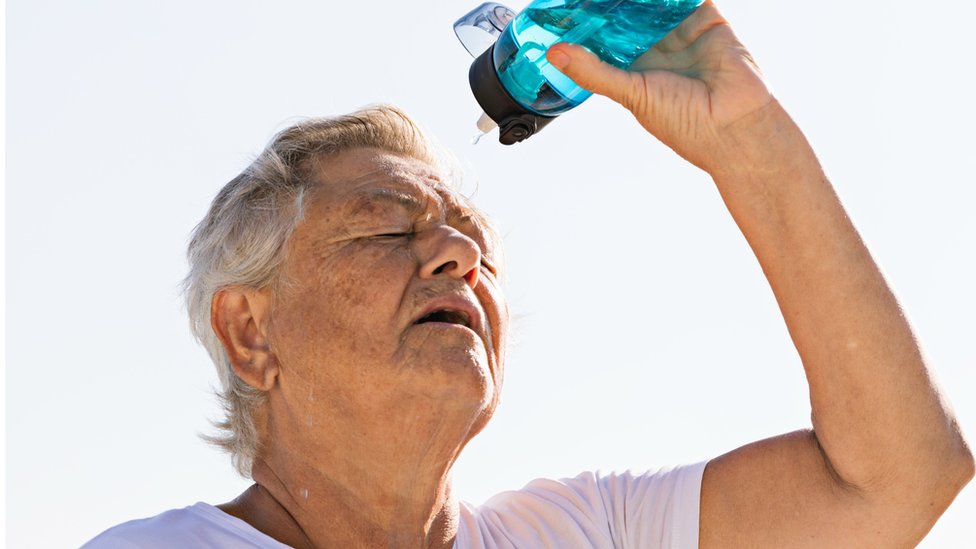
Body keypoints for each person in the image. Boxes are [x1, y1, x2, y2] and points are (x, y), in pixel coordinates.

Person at [84, 1, 972, 547]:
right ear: (250, 332)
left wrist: (750, 143)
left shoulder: (584, 534)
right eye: (384, 229)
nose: (459, 255)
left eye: (473, 238)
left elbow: (899, 477)